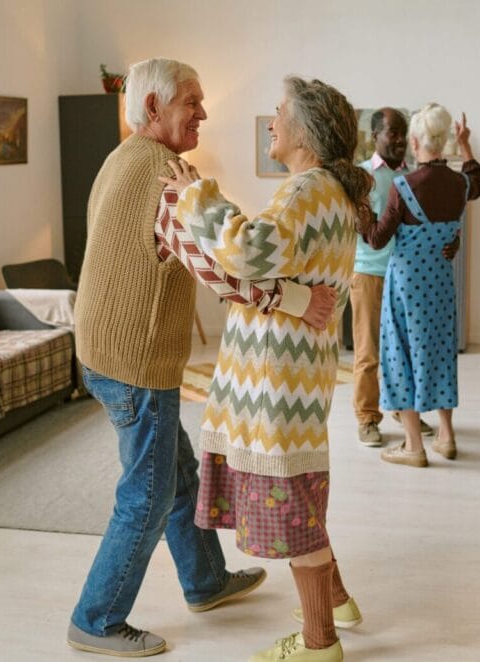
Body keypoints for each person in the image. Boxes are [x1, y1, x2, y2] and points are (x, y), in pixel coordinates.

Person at [69, 58, 338, 658]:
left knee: (177, 472)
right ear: (152, 109)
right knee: (147, 493)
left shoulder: (123, 160)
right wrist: (297, 299)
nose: (205, 113)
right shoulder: (163, 180)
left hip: (108, 350)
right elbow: (219, 271)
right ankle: (96, 618)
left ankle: (205, 580)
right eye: (192, 101)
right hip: (133, 361)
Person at [162, 76, 369, 662]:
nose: (271, 121)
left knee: (296, 510)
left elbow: (249, 252)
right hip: (296, 375)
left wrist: (198, 197)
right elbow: (271, 269)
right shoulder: (332, 193)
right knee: (302, 496)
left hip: (277, 378)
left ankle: (319, 642)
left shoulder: (306, 191)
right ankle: (340, 603)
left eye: (279, 113)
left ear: (305, 130)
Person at [358, 102, 480, 468]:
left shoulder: (404, 185)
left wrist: (360, 212)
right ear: (442, 141)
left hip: (406, 284)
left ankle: (413, 446)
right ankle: (447, 436)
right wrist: (465, 146)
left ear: (415, 141)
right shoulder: (461, 183)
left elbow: (377, 239)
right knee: (440, 353)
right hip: (441, 281)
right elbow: (477, 180)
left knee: (400, 357)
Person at [352, 108, 443, 447]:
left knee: (404, 351)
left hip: (407, 276)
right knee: (368, 353)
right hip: (370, 275)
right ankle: (366, 418)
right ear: (375, 135)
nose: (401, 139)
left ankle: (404, 413)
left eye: (404, 132)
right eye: (393, 132)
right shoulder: (361, 176)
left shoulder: (415, 177)